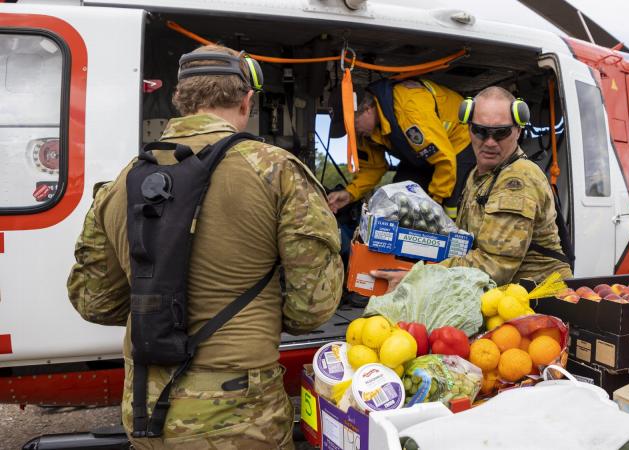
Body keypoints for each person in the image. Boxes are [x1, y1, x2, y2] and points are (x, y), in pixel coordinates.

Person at [67, 44, 343, 449]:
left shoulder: (121, 184)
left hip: (146, 408)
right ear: (247, 100)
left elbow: (94, 302)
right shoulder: (277, 172)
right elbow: (312, 308)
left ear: (181, 100)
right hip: (241, 414)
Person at [373, 86, 573, 290]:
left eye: (501, 133)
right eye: (480, 131)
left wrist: (419, 278)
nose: (489, 142)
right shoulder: (479, 175)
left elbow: (494, 266)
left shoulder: (517, 179)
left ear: (518, 130)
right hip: (502, 296)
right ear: (468, 128)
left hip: (537, 302)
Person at [326, 78, 476, 219]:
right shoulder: (366, 133)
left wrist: (433, 203)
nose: (352, 132)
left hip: (457, 146)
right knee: (401, 201)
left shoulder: (409, 110)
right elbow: (372, 168)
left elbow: (444, 160)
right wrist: (349, 193)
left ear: (367, 109)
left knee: (450, 209)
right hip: (423, 156)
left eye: (351, 125)